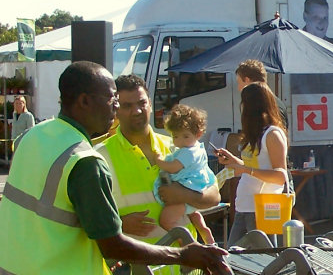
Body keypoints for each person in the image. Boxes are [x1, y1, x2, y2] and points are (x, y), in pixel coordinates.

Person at [0, 61, 231, 274]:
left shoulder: (32, 136)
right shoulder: (87, 160)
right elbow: (112, 245)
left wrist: (186, 196)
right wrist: (182, 255)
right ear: (84, 101)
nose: (117, 107)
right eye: (113, 100)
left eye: (141, 103)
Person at [95, 74, 222, 245]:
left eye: (141, 103)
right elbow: (84, 216)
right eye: (127, 106)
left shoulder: (177, 146)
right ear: (116, 109)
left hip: (185, 259)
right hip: (136, 260)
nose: (137, 111)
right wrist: (120, 223)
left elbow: (214, 196)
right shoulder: (101, 156)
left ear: (150, 104)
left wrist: (184, 194)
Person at [216, 82, 289, 244]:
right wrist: (233, 160)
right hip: (244, 206)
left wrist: (244, 169)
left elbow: (280, 176)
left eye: (244, 103)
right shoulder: (255, 133)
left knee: (262, 257)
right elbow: (254, 166)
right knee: (233, 255)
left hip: (261, 209)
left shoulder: (273, 134)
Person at [142, 105, 216, 244]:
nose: (180, 141)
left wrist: (159, 160)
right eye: (175, 136)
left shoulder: (188, 152)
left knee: (166, 221)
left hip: (183, 193)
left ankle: (187, 242)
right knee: (193, 214)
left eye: (185, 136)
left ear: (198, 134)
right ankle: (205, 231)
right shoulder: (197, 148)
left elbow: (173, 168)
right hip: (194, 189)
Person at [291, 0, 333, 94]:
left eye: (325, 18)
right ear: (305, 16)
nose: (322, 23)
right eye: (316, 17)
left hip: (331, 104)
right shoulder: (292, 47)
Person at [236, 59, 288, 127]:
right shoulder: (276, 103)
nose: (239, 88)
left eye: (239, 83)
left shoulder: (264, 106)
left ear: (247, 80)